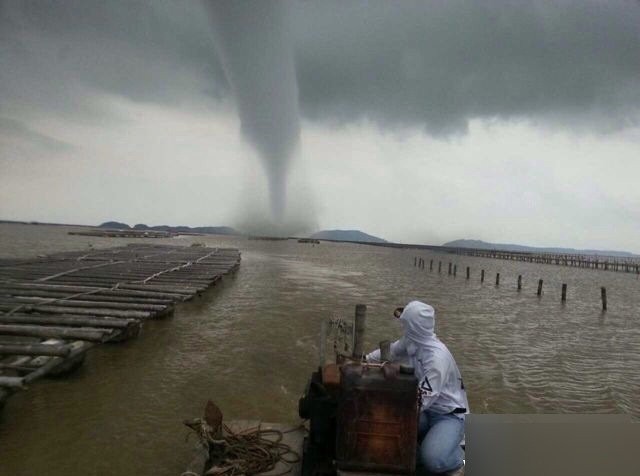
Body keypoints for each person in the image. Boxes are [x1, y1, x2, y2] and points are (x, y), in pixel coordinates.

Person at [366, 300, 468, 475]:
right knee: (394, 425)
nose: (402, 326)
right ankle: (430, 442)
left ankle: (460, 459)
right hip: (427, 411)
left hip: (448, 415)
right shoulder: (412, 340)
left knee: (434, 461)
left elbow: (420, 400)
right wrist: (363, 360)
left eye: (405, 323)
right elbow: (391, 352)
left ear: (413, 326)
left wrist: (387, 409)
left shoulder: (436, 358)